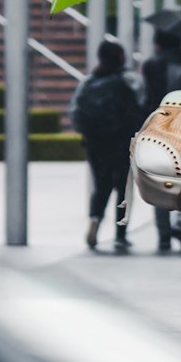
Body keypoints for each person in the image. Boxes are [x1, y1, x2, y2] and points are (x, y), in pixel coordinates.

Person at [69, 40, 144, 252]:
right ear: (121, 57)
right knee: (123, 187)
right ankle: (121, 233)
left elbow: (75, 112)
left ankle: (95, 220)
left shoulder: (89, 81)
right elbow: (141, 105)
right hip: (123, 141)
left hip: (96, 142)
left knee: (101, 185)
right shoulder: (130, 80)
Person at [143, 28, 181, 252]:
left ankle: (164, 235)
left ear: (159, 45)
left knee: (159, 180)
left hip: (161, 130)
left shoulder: (152, 65)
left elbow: (149, 99)